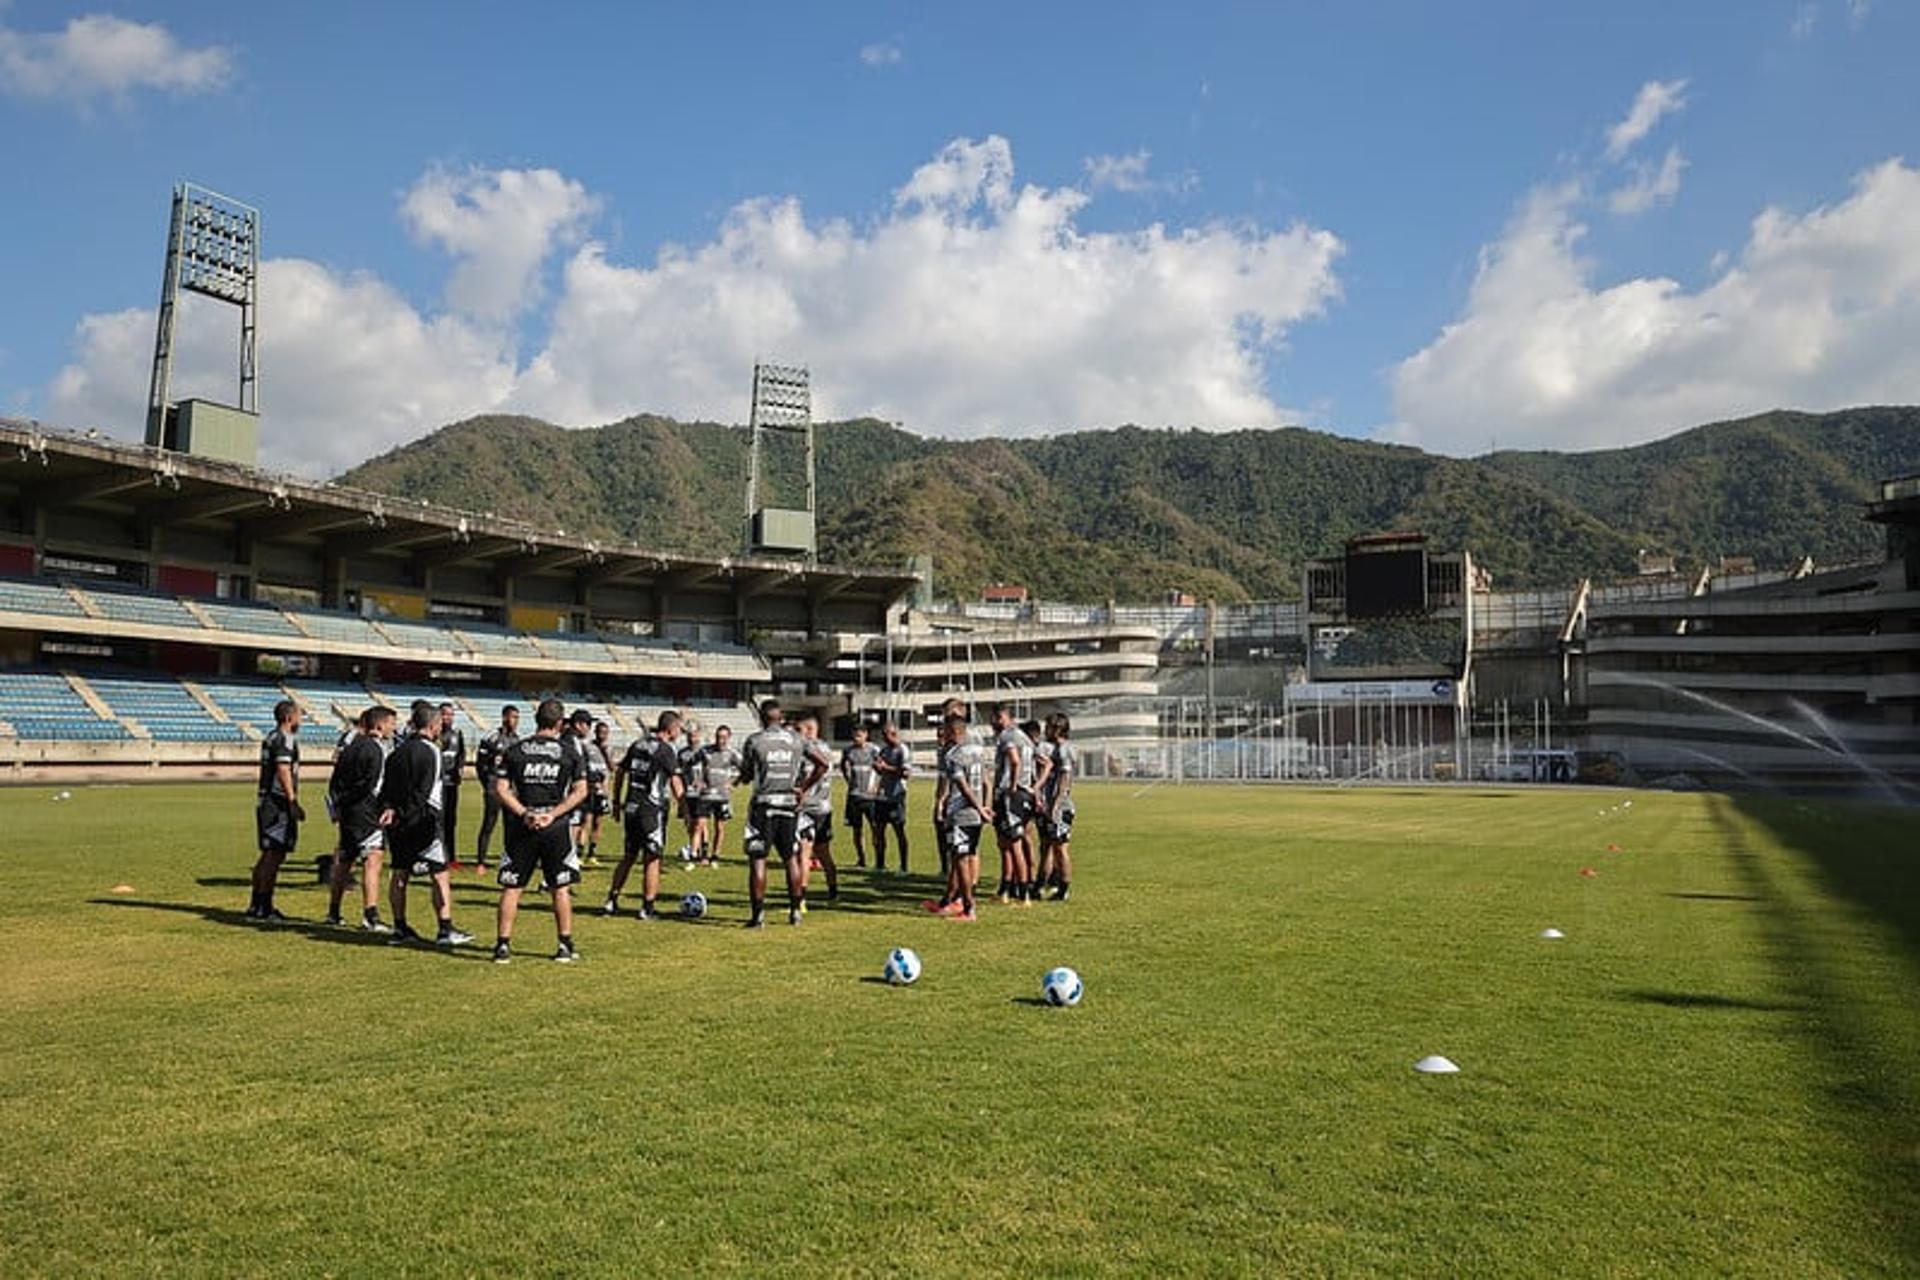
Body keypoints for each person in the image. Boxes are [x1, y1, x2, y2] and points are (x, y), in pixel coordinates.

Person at [491, 697, 589, 964]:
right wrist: (552, 814)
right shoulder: (570, 753)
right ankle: (564, 944)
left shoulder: (515, 750)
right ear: (560, 723)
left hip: (521, 823)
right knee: (560, 887)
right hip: (556, 825)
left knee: (512, 886)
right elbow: (581, 791)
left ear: (536, 720)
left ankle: (502, 945)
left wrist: (524, 813)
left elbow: (500, 789)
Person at [378, 702, 473, 947]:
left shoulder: (396, 752)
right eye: (440, 723)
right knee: (440, 874)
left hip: (397, 823)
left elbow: (385, 789)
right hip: (424, 823)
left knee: (400, 873)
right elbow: (428, 793)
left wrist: (392, 810)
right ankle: (445, 928)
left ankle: (399, 927)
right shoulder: (432, 752)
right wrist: (420, 819)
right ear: (433, 725)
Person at [738, 699, 826, 928]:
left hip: (763, 805)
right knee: (790, 858)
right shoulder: (797, 740)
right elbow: (823, 764)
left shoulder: (755, 741)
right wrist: (803, 788)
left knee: (759, 859)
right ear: (781, 717)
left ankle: (758, 916)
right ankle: (795, 912)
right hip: (789, 805)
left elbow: (747, 773)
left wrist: (745, 776)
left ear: (761, 717)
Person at [604, 710, 684, 920]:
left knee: (629, 856)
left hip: (631, 808)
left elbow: (620, 771)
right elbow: (676, 781)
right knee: (653, 858)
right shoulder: (666, 750)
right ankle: (647, 907)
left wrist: (616, 801)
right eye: (678, 729)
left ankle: (611, 900)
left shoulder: (637, 745)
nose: (680, 733)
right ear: (671, 729)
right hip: (651, 810)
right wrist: (685, 808)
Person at [326, 705, 395, 931]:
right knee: (373, 860)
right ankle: (370, 915)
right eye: (391, 723)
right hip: (366, 813)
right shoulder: (376, 749)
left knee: (345, 861)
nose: (393, 728)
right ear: (379, 725)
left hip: (348, 813)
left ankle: (334, 912)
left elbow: (335, 781)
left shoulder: (350, 747)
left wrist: (339, 804)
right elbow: (372, 785)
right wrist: (383, 807)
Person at [247, 698, 305, 922]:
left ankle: (256, 904)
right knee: (274, 856)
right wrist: (292, 801)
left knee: (266, 855)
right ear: (289, 717)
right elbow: (283, 769)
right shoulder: (285, 739)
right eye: (299, 716)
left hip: (267, 802)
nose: (301, 720)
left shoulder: (271, 736)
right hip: (277, 804)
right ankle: (265, 906)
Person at [931, 712, 987, 920]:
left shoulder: (954, 755)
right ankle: (950, 901)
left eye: (944, 731)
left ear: (953, 732)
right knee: (959, 858)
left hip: (962, 814)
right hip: (974, 815)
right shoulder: (978, 753)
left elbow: (963, 787)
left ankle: (968, 908)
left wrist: (978, 808)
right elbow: (985, 782)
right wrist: (984, 806)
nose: (941, 735)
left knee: (961, 860)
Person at [989, 704, 1038, 905]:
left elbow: (1015, 761)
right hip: (1025, 795)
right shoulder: (1025, 738)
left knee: (1012, 845)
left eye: (995, 718)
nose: (993, 723)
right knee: (1008, 843)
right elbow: (1041, 762)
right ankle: (1007, 890)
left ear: (1003, 717)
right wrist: (1035, 788)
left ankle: (1023, 893)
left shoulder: (1007, 737)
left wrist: (1011, 786)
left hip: (1011, 796)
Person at [795, 711, 839, 903]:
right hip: (824, 809)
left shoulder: (807, 751)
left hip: (808, 809)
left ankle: (800, 900)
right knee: (823, 853)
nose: (796, 733)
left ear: (810, 730)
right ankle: (833, 891)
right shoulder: (827, 749)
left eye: (799, 730)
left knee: (803, 854)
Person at [473, 704, 520, 872]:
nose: (515, 721)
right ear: (504, 717)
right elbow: (480, 764)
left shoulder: (517, 740)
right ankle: (480, 862)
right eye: (512, 717)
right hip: (493, 788)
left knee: (511, 826)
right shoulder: (492, 738)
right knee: (488, 824)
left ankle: (508, 861)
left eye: (517, 717)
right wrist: (487, 784)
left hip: (510, 791)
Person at [1037, 713, 1077, 901]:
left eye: (1050, 727)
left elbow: (1065, 780)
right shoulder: (1052, 748)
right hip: (1048, 805)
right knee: (1046, 846)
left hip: (1060, 807)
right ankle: (1040, 884)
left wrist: (1056, 806)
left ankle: (1064, 888)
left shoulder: (1064, 749)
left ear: (1058, 728)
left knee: (1060, 848)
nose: (1046, 730)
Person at [693, 724, 741, 865]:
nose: (721, 740)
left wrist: (733, 783)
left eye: (724, 737)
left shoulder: (732, 753)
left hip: (722, 796)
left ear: (729, 738)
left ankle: (715, 855)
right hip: (706, 794)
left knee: (720, 827)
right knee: (699, 825)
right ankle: (702, 854)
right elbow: (691, 765)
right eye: (719, 737)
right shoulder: (705, 751)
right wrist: (697, 780)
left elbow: (745, 769)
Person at [869, 721, 912, 874]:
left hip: (896, 796)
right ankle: (880, 864)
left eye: (887, 735)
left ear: (894, 734)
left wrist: (886, 768)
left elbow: (906, 773)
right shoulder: (884, 750)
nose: (885, 738)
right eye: (883, 735)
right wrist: (877, 768)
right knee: (879, 831)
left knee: (899, 832)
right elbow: (881, 772)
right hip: (882, 796)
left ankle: (904, 866)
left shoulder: (902, 750)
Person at [840, 722, 879, 868]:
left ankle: (878, 860)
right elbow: (844, 765)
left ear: (866, 735)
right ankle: (861, 859)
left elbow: (881, 768)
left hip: (871, 797)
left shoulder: (874, 750)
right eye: (854, 735)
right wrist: (849, 780)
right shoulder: (848, 750)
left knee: (875, 828)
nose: (856, 738)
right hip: (854, 796)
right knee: (857, 830)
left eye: (859, 735)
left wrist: (876, 786)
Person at [562, 708, 594, 866]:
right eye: (588, 724)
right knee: (570, 830)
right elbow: (575, 766)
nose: (589, 728)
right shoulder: (570, 741)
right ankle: (561, 870)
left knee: (574, 827)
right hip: (570, 793)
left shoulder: (573, 740)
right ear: (579, 724)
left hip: (573, 792)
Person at [436, 703, 466, 869]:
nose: (448, 717)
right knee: (437, 820)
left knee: (450, 820)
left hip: (452, 783)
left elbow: (461, 754)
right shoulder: (435, 733)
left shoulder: (457, 733)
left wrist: (460, 768)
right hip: (438, 784)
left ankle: (452, 856)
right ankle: (438, 855)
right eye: (445, 714)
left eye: (451, 714)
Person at [584, 719, 614, 866]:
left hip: (603, 791)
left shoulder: (608, 749)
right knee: (586, 820)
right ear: (595, 733)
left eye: (606, 733)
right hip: (590, 790)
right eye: (601, 732)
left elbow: (612, 768)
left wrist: (606, 753)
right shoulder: (587, 747)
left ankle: (592, 853)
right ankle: (578, 851)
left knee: (598, 823)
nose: (603, 735)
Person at [676, 723, 705, 859]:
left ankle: (700, 851)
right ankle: (695, 848)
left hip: (702, 794)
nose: (691, 739)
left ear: (699, 735)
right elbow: (678, 775)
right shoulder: (682, 754)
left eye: (693, 736)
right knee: (690, 824)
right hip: (687, 793)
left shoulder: (704, 752)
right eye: (689, 736)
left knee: (701, 823)